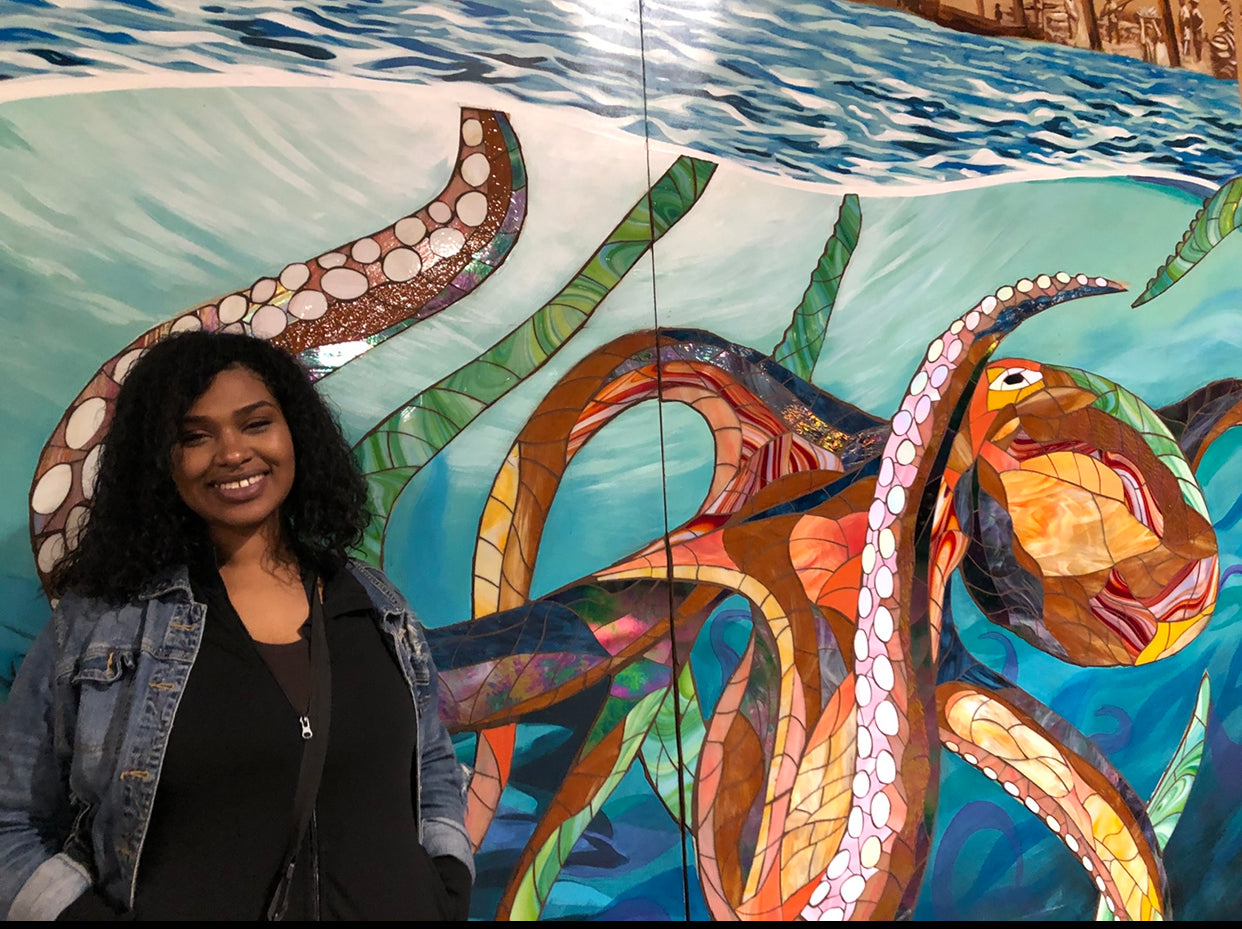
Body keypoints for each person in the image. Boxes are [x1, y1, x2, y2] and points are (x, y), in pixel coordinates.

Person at [0, 331, 473, 920]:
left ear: (293, 432)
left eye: (255, 424)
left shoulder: (376, 603)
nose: (231, 453)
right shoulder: (104, 621)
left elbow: (430, 764)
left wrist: (447, 884)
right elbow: (12, 817)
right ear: (159, 459)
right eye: (194, 436)